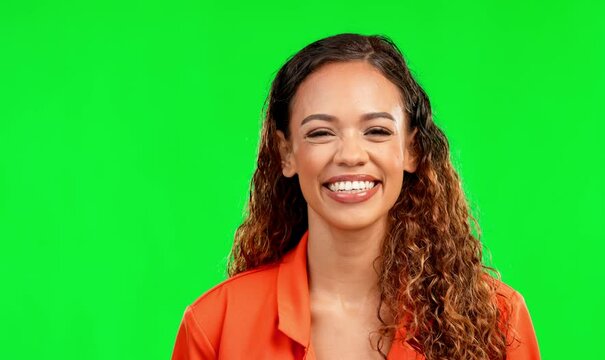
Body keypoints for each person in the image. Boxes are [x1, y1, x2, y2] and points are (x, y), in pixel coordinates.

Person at [171, 33, 540, 360]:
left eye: (377, 130)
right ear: (286, 153)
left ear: (411, 150)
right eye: (320, 133)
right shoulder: (214, 325)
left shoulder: (497, 317)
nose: (350, 155)